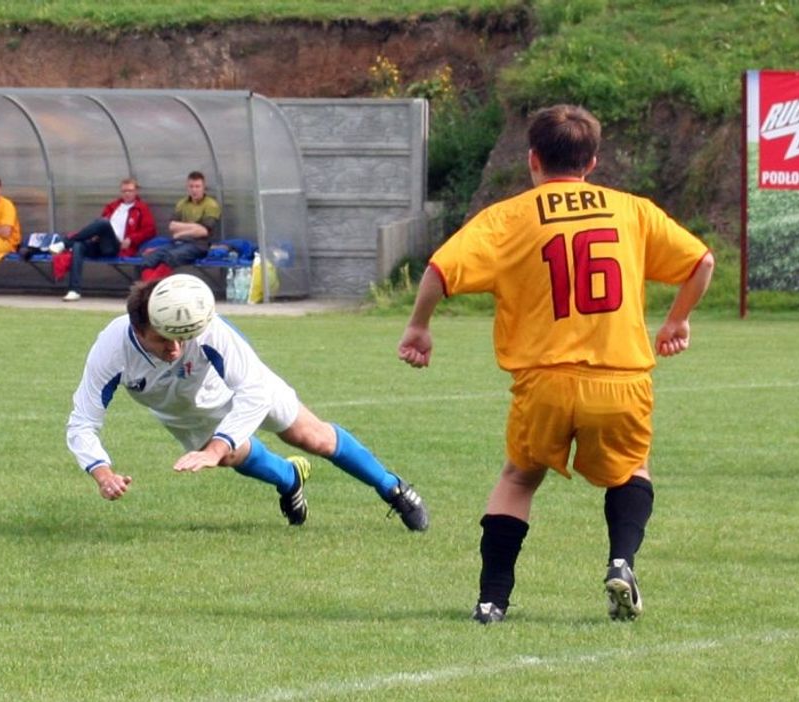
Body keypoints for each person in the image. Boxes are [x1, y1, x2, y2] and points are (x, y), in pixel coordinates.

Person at [398, 104, 714, 623]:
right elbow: (701, 262)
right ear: (592, 162)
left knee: (519, 479)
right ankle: (621, 560)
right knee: (632, 469)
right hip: (621, 378)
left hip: (544, 380)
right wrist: (677, 320)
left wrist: (419, 327)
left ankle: (492, 600)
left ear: (533, 160)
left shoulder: (509, 216)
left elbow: (439, 269)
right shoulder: (631, 210)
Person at [67, 278, 429, 532]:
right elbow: (82, 422)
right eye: (163, 341)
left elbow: (253, 392)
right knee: (229, 457)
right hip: (182, 413)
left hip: (242, 387)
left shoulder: (207, 327)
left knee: (310, 438)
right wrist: (103, 474)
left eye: (182, 339)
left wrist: (214, 446)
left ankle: (392, 488)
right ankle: (289, 479)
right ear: (139, 327)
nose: (175, 349)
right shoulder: (112, 348)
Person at [59, 177, 157, 301]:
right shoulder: (112, 206)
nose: (127, 194)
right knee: (79, 245)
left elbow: (150, 230)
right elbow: (99, 227)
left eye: (130, 191)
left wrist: (131, 239)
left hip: (116, 246)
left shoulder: (141, 208)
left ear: (136, 191)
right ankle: (74, 290)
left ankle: (65, 242)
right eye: (124, 191)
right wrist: (95, 235)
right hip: (100, 243)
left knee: (103, 223)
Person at [140, 171, 220, 282]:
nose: (194, 190)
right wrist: (194, 227)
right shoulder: (182, 203)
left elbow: (204, 231)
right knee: (150, 258)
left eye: (197, 186)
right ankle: (148, 286)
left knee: (171, 257)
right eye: (191, 186)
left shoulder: (211, 204)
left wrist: (181, 232)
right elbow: (172, 226)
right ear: (187, 187)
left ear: (203, 187)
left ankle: (150, 287)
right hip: (178, 243)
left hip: (198, 245)